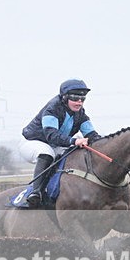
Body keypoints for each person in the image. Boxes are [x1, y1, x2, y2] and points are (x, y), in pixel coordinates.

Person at [20, 78, 101, 207]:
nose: (79, 102)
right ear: (64, 97)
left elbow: (92, 135)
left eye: (82, 99)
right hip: (33, 142)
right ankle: (35, 192)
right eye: (75, 98)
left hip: (55, 145)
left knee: (72, 156)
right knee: (47, 154)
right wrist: (74, 141)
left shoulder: (80, 113)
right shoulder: (52, 109)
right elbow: (52, 135)